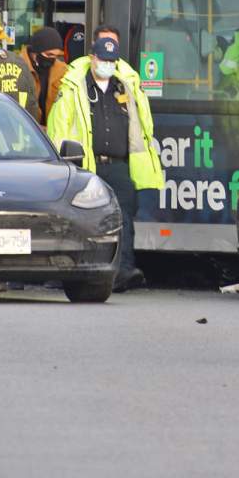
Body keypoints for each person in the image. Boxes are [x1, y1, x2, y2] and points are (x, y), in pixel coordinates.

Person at [48, 26, 164, 292]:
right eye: (103, 60)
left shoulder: (125, 86)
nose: (107, 65)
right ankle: (76, 271)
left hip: (120, 164)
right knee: (84, 219)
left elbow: (141, 125)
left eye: (112, 61)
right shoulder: (75, 86)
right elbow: (60, 126)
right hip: (89, 164)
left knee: (123, 218)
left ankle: (122, 272)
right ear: (92, 58)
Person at [19, 26, 67, 127]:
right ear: (34, 53)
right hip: (26, 127)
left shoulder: (62, 70)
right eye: (49, 55)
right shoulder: (18, 68)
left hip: (52, 131)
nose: (53, 59)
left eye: (57, 56)